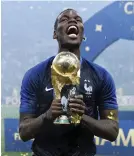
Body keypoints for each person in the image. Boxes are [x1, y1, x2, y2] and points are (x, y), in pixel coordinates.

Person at [19, 9, 119, 156]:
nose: (73, 20)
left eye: (78, 19)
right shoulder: (35, 75)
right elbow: (24, 131)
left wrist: (82, 117)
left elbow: (112, 131)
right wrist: (47, 116)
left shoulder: (101, 76)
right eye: (64, 19)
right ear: (55, 34)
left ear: (82, 34)